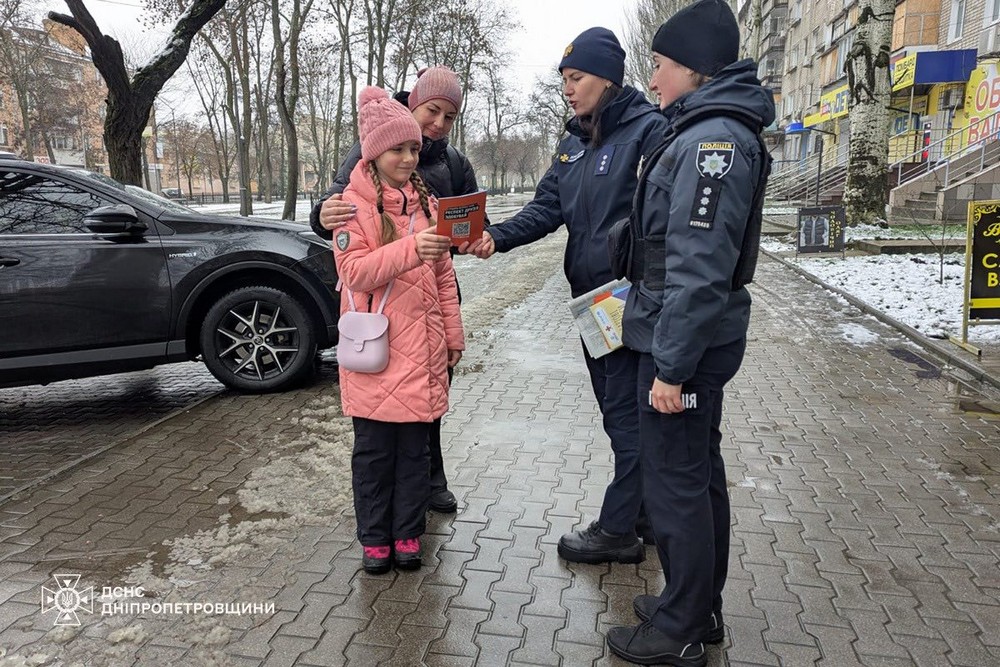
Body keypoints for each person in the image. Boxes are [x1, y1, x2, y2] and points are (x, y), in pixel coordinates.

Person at [605, 1, 775, 664]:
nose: (650, 77)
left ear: (696, 69)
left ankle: (679, 628)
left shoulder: (714, 144)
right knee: (696, 472)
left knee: (677, 480)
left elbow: (700, 272)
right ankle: (696, 605)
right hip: (686, 341)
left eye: (659, 64)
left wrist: (671, 370)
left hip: (685, 353)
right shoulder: (706, 128)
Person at [466, 28, 670, 564]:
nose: (567, 88)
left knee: (628, 416)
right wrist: (496, 236)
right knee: (615, 412)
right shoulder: (572, 143)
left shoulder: (649, 133)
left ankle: (620, 528)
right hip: (592, 304)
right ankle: (646, 513)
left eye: (576, 78)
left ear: (607, 77)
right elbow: (546, 208)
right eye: (563, 79)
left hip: (630, 301)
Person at [311, 66, 479, 516]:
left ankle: (430, 479)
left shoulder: (454, 162)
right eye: (432, 110)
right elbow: (336, 207)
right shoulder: (374, 145)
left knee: (430, 392)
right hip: (382, 303)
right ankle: (388, 508)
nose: (439, 124)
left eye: (449, 116)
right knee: (383, 416)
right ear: (413, 104)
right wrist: (321, 215)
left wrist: (477, 239)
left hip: (431, 294)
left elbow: (467, 221)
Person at [333, 86, 465, 574]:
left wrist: (453, 337)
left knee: (414, 455)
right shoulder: (351, 207)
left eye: (413, 149)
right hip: (376, 354)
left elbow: (445, 279)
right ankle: (374, 538)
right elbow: (356, 272)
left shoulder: (425, 204)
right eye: (398, 149)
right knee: (373, 455)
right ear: (374, 153)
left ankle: (408, 534)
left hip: (423, 353)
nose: (409, 158)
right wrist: (414, 249)